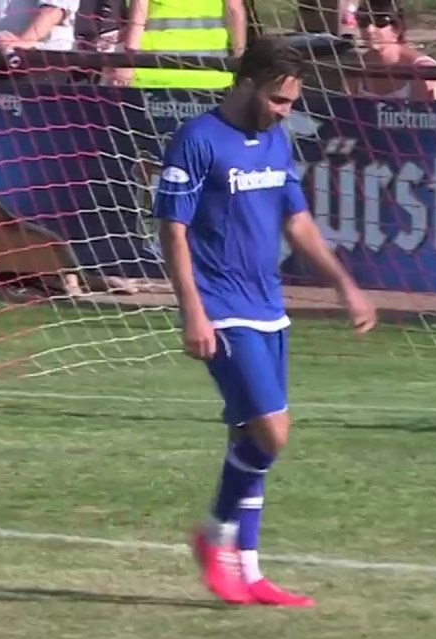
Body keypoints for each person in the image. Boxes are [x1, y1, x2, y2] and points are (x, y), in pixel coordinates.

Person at [153, 36, 376, 607]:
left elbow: (295, 221)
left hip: (267, 305)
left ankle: (249, 572)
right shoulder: (197, 140)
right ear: (247, 84)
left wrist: (344, 283)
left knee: (249, 437)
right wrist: (193, 311)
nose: (285, 111)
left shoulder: (274, 140)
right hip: (221, 306)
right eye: (278, 99)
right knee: (272, 432)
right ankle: (212, 534)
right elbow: (172, 231)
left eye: (291, 102)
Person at [348, 0, 436, 101]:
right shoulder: (358, 67)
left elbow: (424, 113)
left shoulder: (424, 68)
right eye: (363, 21)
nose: (370, 29)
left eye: (380, 22)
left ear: (397, 28)